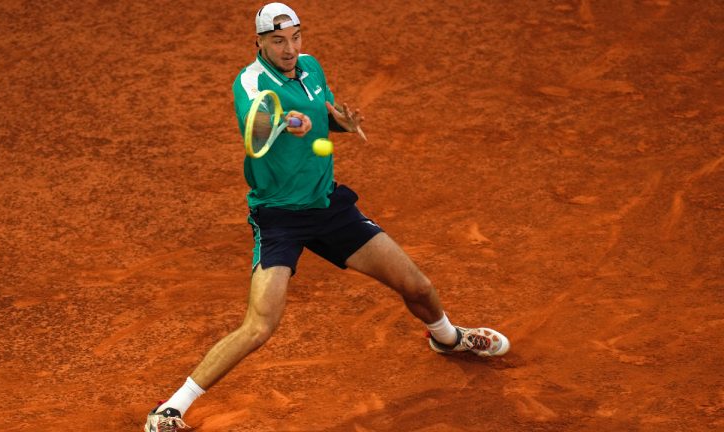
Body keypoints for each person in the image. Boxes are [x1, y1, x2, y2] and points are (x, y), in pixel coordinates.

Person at [144, 3, 510, 431]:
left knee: (418, 285)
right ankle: (169, 409)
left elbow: (323, 113)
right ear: (259, 42)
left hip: (328, 205)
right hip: (279, 216)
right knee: (260, 325)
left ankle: (448, 339)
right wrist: (285, 120)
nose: (289, 48)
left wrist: (339, 124)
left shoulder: (311, 68)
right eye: (278, 41)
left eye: (295, 38)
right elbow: (255, 127)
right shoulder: (250, 82)